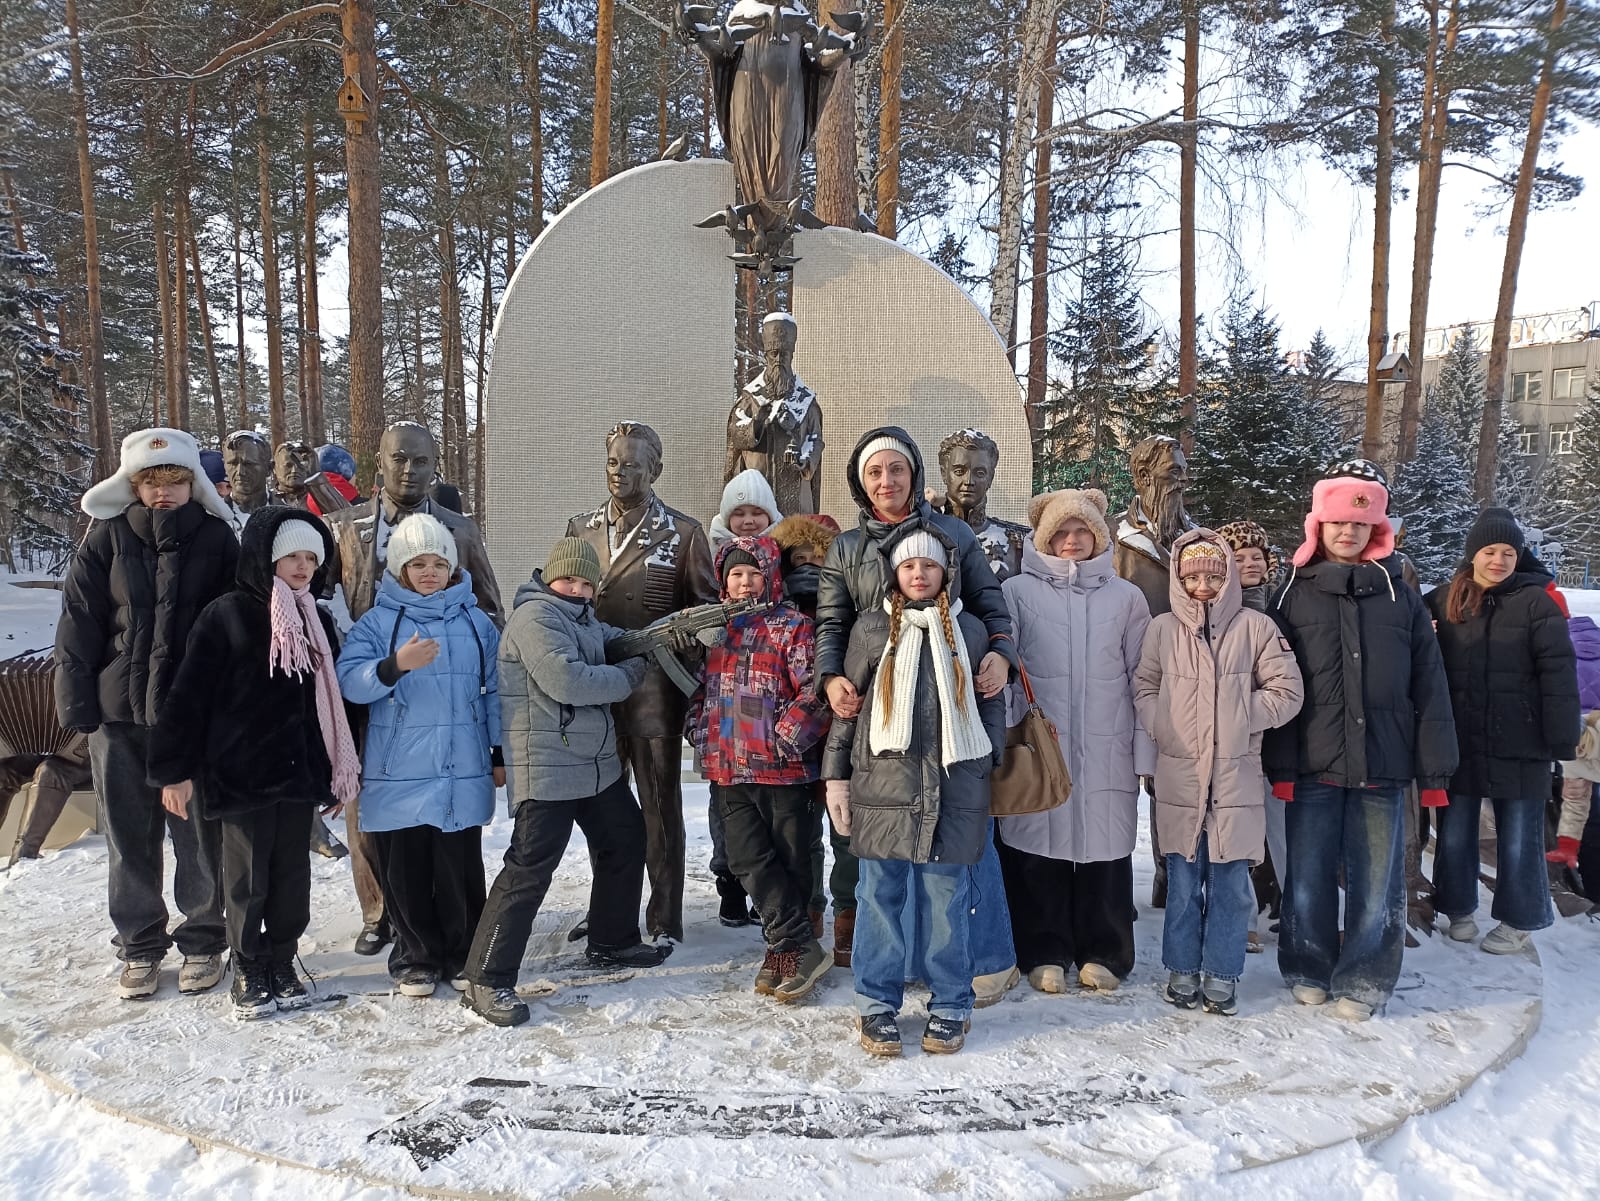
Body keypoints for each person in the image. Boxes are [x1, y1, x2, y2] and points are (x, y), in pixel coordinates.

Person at [813, 427, 1019, 1005]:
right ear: (860, 480)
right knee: (883, 854)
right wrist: (832, 679)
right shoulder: (847, 549)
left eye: (896, 470)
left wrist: (1001, 654)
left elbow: (989, 605)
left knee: (957, 857)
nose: (887, 482)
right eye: (875, 472)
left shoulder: (952, 534)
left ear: (914, 475)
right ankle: (894, 971)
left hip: (952, 720)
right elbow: (832, 626)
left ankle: (981, 964)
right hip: (882, 722)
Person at [148, 508, 360, 1018]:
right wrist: (174, 771)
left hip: (298, 773)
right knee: (245, 879)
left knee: (292, 878)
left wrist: (338, 765)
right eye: (292, 556)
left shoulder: (318, 619)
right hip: (240, 774)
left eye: (312, 556)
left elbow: (334, 703)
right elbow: (188, 698)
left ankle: (282, 958)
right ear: (267, 557)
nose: (303, 566)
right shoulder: (227, 614)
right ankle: (247, 961)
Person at [1265, 473, 1458, 1021]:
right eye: (1338, 522)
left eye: (1360, 522)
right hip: (1311, 761)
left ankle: (1367, 977)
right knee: (1307, 873)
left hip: (1384, 761)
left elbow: (1430, 680)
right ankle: (1308, 964)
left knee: (1378, 879)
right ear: (1318, 525)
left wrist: (1436, 769)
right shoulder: (1290, 591)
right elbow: (1280, 681)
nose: (1348, 531)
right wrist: (1279, 761)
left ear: (1376, 528)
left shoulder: (1401, 593)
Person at [55, 427, 236, 1001]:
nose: (163, 493)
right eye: (151, 482)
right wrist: (77, 700)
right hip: (118, 716)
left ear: (193, 484)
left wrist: (229, 706)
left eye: (175, 481)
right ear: (132, 484)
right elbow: (79, 622)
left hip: (190, 718)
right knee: (129, 836)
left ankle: (205, 939)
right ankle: (139, 945)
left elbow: (235, 629)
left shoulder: (217, 540)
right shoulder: (106, 538)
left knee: (198, 836)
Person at [460, 538, 666, 1027]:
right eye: (568, 580)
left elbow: (617, 637)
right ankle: (485, 978)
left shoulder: (584, 620)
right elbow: (568, 681)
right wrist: (631, 672)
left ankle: (613, 940)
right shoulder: (536, 619)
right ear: (548, 578)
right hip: (548, 768)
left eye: (585, 583)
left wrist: (662, 635)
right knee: (529, 870)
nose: (576, 589)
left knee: (624, 840)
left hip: (594, 767)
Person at [822, 526, 1006, 1056]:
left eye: (929, 565)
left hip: (954, 787)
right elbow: (846, 710)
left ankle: (951, 1003)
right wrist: (836, 777)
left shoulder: (969, 632)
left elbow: (990, 701)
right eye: (908, 566)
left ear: (946, 571)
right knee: (878, 897)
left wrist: (986, 754)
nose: (919, 574)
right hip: (882, 786)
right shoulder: (871, 629)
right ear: (894, 574)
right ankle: (875, 1004)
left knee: (948, 900)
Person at [324, 421, 503, 956]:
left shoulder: (460, 531)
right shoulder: (343, 526)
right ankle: (379, 911)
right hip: (366, 682)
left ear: (435, 466)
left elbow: (489, 606)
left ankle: (442, 930)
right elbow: (324, 599)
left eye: (420, 461)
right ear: (378, 462)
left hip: (445, 697)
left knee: (445, 834)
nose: (409, 469)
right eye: (398, 459)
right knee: (372, 814)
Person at [1134, 532, 1303, 1015]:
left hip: (1236, 779)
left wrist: (1243, 715)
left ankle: (1223, 972)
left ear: (1227, 577)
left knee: (1230, 884)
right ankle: (1182, 968)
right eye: (1192, 577)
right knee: (1183, 883)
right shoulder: (1163, 629)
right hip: (1181, 778)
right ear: (1179, 579)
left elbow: (1287, 690)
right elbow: (1144, 685)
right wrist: (1161, 722)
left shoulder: (1256, 627)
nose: (1203, 586)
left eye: (1212, 576)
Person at [566, 422, 718, 944]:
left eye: (632, 464)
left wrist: (680, 647)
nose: (620, 472)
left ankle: (664, 914)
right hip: (595, 687)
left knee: (658, 805)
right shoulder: (580, 528)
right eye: (613, 462)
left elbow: (705, 610)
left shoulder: (684, 532)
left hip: (654, 690)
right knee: (603, 808)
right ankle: (610, 907)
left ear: (655, 470)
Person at [997, 488, 1153, 994]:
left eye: (1081, 531)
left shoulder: (1126, 597)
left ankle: (1104, 951)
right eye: (1060, 532)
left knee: (1103, 850)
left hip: (1109, 746)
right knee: (1040, 846)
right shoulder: (1018, 592)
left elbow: (1144, 679)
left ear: (1098, 536)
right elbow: (1003, 666)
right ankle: (1044, 949)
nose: (1070, 541)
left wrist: (1145, 750)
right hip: (1042, 744)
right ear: (1043, 538)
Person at [1424, 509, 1578, 955]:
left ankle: (1520, 919)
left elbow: (1559, 675)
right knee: (1454, 832)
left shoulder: (1536, 604)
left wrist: (1561, 737)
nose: (1499, 560)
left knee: (1520, 836)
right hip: (1461, 738)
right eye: (1490, 551)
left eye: (1509, 552)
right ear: (1473, 554)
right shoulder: (1443, 601)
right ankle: (1457, 910)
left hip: (1522, 741)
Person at [688, 535, 832, 999]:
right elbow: (694, 691)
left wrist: (783, 738)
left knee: (790, 861)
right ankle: (795, 944)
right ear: (723, 582)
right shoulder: (713, 633)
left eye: (753, 573)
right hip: (728, 769)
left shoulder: (793, 627)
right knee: (747, 858)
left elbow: (815, 692)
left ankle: (786, 947)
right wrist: (700, 729)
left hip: (783, 771)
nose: (745, 582)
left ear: (770, 575)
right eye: (736, 574)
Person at [772, 513, 853, 961]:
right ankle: (807, 912)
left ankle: (849, 915)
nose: (807, 564)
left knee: (846, 829)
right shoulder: (774, 613)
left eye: (817, 557)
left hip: (841, 732)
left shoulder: (849, 606)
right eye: (798, 557)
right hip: (789, 741)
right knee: (799, 834)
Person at [1218, 518, 1287, 949]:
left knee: (1282, 832)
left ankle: (1298, 910)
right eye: (1238, 557)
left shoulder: (1285, 606)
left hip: (1278, 741)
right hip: (1231, 741)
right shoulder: (1212, 611)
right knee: (1236, 833)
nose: (1248, 564)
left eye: (1256, 557)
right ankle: (1241, 917)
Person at [1551, 612, 1600, 870]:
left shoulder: (1560, 657)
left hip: (1576, 735)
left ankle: (1574, 856)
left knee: (1579, 805)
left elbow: (1574, 801)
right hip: (1584, 735)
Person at [2, 735, 91, 865]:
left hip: (84, 753)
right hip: (36, 752)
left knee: (49, 771)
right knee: (3, 771)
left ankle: (24, 853)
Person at [709, 468, 783, 548]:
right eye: (739, 514)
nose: (748, 521)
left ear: (770, 517)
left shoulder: (788, 549)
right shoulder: (708, 553)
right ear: (727, 519)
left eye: (757, 513)